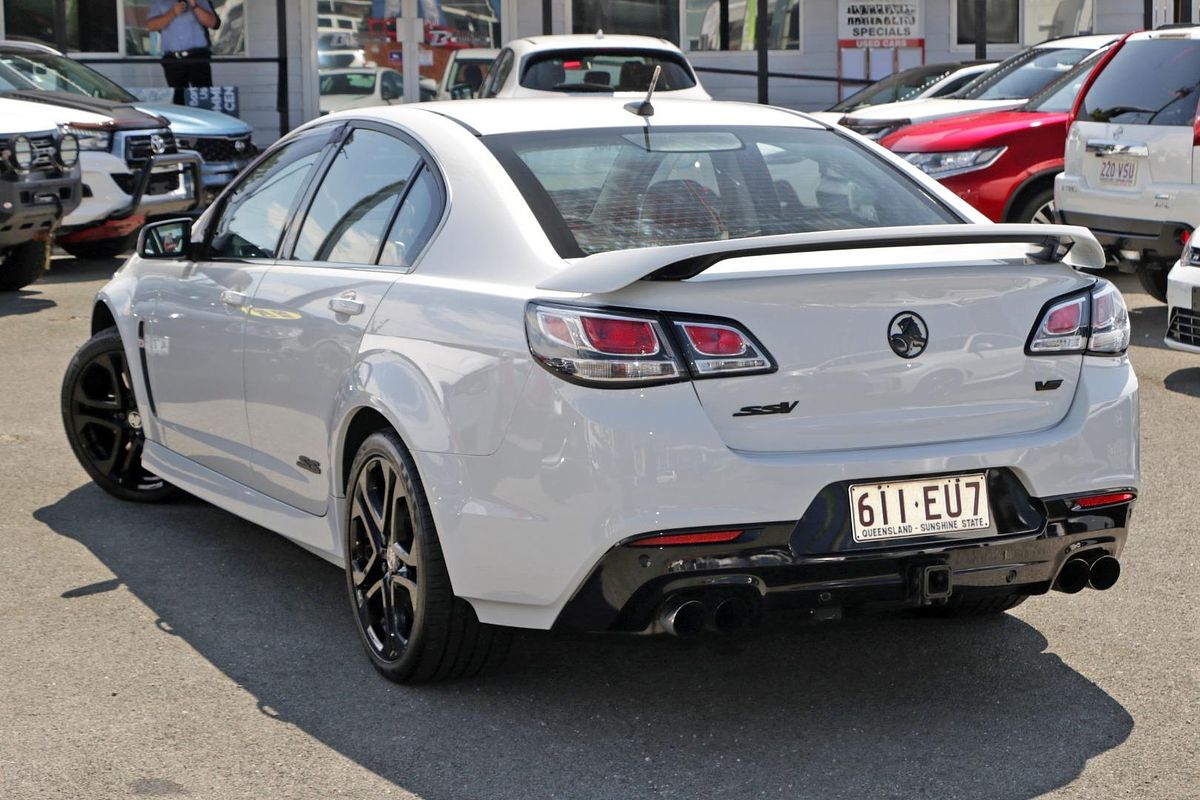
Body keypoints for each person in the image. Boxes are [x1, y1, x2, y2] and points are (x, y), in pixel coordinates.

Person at [146, 0, 220, 105]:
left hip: (197, 57)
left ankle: (204, 120)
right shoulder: (160, 2)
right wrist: (173, 12)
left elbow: (213, 23)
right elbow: (151, 26)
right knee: (179, 100)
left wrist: (194, 5)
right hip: (173, 59)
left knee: (204, 97)